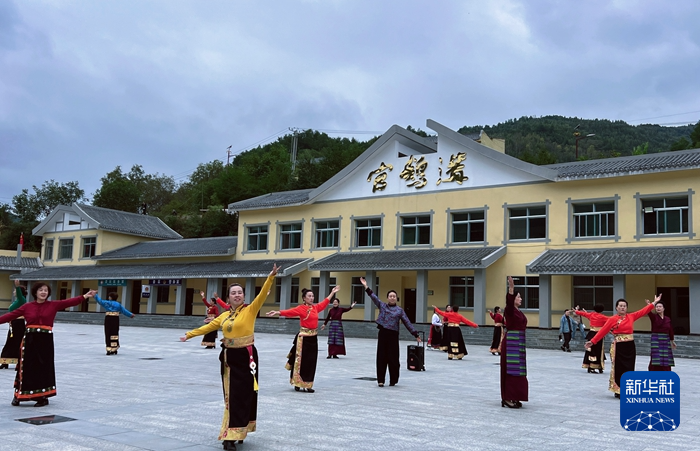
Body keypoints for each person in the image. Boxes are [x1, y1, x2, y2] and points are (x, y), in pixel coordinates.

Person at [180, 264, 278, 451]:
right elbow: (208, 327)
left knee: (246, 395)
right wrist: (189, 335)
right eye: (233, 293)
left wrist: (271, 276)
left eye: (240, 292)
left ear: (244, 296)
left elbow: (262, 294)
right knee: (231, 396)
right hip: (229, 359)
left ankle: (239, 430)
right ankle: (230, 435)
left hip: (247, 357)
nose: (237, 295)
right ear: (228, 297)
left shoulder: (250, 310)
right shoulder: (224, 316)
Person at [0, 282, 97, 407]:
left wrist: (85, 296)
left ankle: (42, 397)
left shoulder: (53, 305)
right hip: (30, 340)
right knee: (26, 367)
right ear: (35, 292)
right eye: (41, 290)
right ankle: (18, 395)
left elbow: (69, 302)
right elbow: (10, 315)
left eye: (45, 290)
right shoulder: (27, 306)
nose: (43, 292)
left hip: (45, 341)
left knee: (43, 368)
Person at [267, 285, 341, 393]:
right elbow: (290, 312)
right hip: (303, 339)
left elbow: (325, 302)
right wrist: (278, 312)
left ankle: (308, 384)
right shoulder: (301, 308)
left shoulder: (315, 308)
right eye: (309, 296)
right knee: (301, 362)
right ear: (304, 298)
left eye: (312, 296)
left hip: (313, 338)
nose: (311, 298)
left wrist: (332, 292)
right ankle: (297, 382)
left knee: (311, 362)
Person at [585, 295, 660, 398]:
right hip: (619, 346)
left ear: (627, 308)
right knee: (619, 368)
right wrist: (593, 341)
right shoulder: (612, 319)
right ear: (616, 308)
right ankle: (618, 389)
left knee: (629, 367)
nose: (622, 307)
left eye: (624, 306)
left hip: (630, 346)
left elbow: (643, 311)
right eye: (620, 306)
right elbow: (603, 331)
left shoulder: (631, 316)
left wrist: (654, 303)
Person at [359, 277, 421, 387]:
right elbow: (373, 297)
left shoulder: (399, 310)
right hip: (383, 334)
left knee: (393, 358)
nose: (392, 298)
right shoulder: (383, 306)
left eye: (394, 296)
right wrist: (366, 286)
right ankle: (381, 380)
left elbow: (407, 322)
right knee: (381, 357)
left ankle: (393, 380)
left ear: (396, 298)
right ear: (387, 298)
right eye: (390, 296)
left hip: (393, 335)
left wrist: (415, 333)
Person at [501, 276, 528, 409]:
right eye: (518, 297)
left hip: (519, 343)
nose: (520, 299)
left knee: (519, 370)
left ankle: (516, 395)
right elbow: (509, 301)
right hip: (511, 342)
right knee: (511, 370)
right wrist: (511, 288)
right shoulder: (509, 310)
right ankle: (507, 397)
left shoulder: (519, 312)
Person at [0, 280, 28, 369]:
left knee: (17, 342)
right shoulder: (17, 301)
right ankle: (5, 362)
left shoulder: (22, 300)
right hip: (13, 323)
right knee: (10, 342)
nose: (14, 292)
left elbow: (19, 295)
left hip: (18, 325)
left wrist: (17, 286)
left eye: (15, 290)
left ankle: (18, 362)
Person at [574, 304, 609, 373]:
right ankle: (596, 366)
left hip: (591, 334)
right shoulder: (603, 317)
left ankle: (590, 366)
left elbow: (582, 314)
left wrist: (576, 311)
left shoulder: (591, 315)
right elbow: (611, 320)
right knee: (598, 350)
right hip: (598, 335)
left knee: (590, 350)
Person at [647, 299, 676, 371]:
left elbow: (670, 330)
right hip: (656, 339)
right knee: (656, 357)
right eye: (657, 307)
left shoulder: (667, 319)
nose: (658, 308)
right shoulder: (654, 317)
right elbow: (648, 312)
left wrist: (672, 341)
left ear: (663, 308)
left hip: (665, 340)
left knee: (666, 358)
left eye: (660, 306)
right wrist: (649, 305)